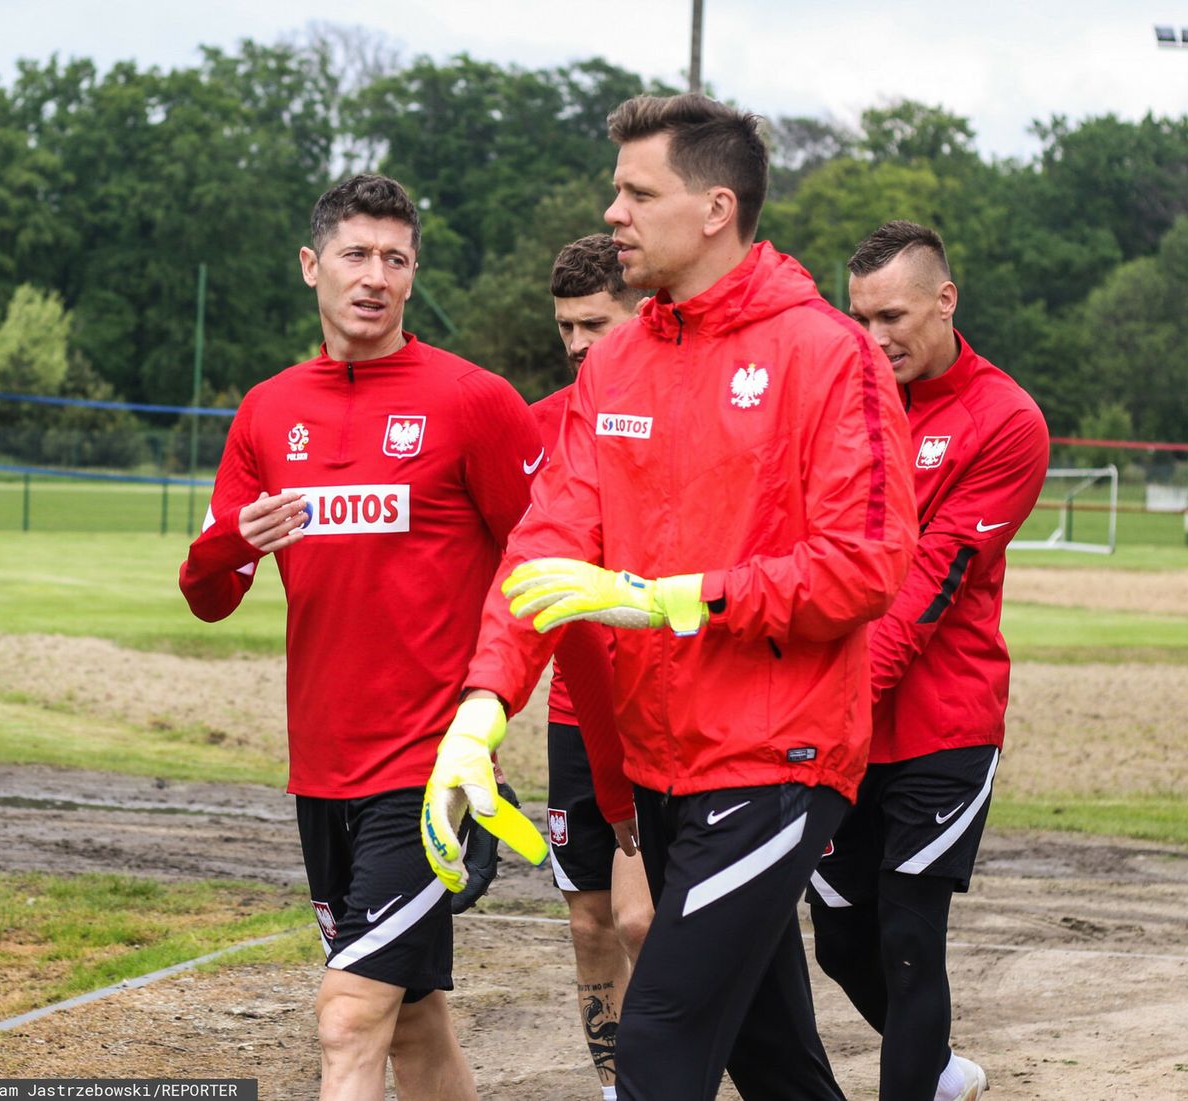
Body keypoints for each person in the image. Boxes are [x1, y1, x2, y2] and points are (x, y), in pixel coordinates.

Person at [420, 94, 918, 1101]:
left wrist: (666, 599)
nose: (612, 211)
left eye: (636, 191)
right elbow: (546, 547)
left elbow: (863, 563)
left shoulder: (828, 356)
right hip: (659, 772)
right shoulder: (617, 362)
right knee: (773, 1061)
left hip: (778, 762)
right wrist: (477, 716)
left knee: (657, 1041)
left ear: (714, 209)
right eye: (615, 189)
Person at [179, 174, 541, 1101]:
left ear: (413, 275)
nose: (374, 275)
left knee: (348, 1016)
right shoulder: (266, 410)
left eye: (396, 258)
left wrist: (491, 717)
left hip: (428, 771)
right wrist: (231, 539)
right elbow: (210, 593)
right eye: (355, 254)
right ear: (312, 266)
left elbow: (540, 563)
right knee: (413, 1021)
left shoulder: (475, 401)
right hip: (322, 766)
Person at [807, 220, 1049, 1101]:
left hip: (941, 726)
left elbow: (927, 588)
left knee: (911, 938)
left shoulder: (1006, 420)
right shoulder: (840, 399)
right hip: (838, 726)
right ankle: (938, 1069)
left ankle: (916, 1075)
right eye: (859, 315)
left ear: (945, 301)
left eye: (894, 315)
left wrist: (831, 698)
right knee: (838, 936)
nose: (874, 337)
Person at [541, 234, 654, 1100]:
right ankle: (621, 1086)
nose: (578, 344)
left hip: (666, 709)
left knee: (645, 918)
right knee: (589, 923)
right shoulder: (542, 424)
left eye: (595, 323)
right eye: (566, 328)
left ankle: (674, 1075)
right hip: (579, 714)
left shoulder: (679, 414)